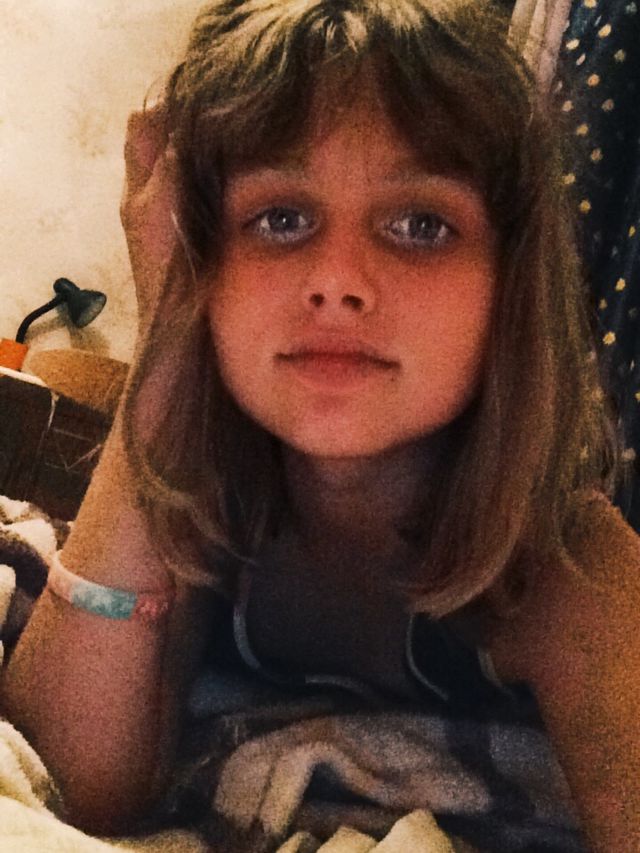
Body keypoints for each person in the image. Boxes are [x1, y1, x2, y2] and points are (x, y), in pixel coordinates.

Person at [2, 0, 640, 849]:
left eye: (420, 225)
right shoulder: (206, 503)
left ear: (509, 287)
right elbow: (73, 786)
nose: (338, 279)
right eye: (281, 219)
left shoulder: (569, 566)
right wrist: (167, 337)